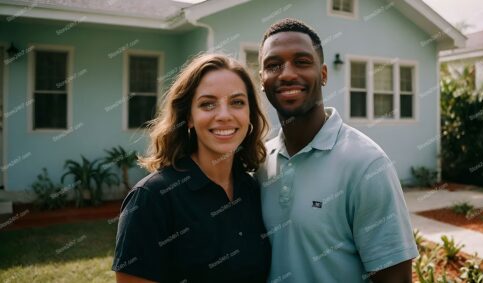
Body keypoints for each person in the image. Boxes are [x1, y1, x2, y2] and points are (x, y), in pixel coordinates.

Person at [255, 18, 419, 283]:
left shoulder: (366, 164)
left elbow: (395, 277)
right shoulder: (261, 161)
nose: (286, 73)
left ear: (323, 74)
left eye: (302, 62)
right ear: (261, 79)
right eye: (273, 65)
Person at [112, 54, 271, 283]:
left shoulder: (254, 189)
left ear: (249, 114)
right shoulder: (152, 198)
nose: (224, 115)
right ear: (188, 118)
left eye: (237, 102)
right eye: (208, 104)